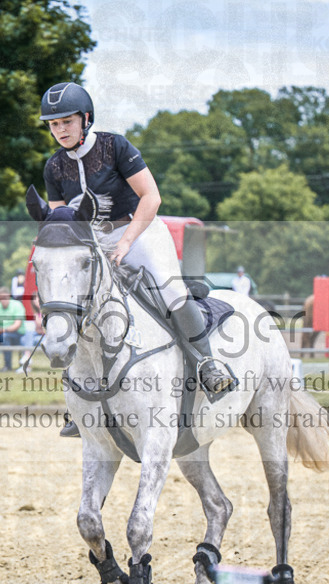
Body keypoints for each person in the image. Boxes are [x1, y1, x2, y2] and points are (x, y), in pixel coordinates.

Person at [39, 82, 234, 398]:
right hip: (93, 245)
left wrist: (126, 242)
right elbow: (60, 223)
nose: (60, 130)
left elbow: (152, 197)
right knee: (74, 302)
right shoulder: (54, 167)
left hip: (139, 231)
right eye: (54, 124)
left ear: (85, 118)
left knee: (171, 291)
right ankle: (80, 399)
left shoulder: (115, 147)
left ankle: (206, 363)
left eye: (67, 122)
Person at [0, 287, 25, 371]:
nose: (3, 300)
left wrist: (2, 330)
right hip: (1, 332)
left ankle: (7, 366)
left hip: (17, 334)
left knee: (4, 336)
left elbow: (17, 325)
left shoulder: (17, 305)